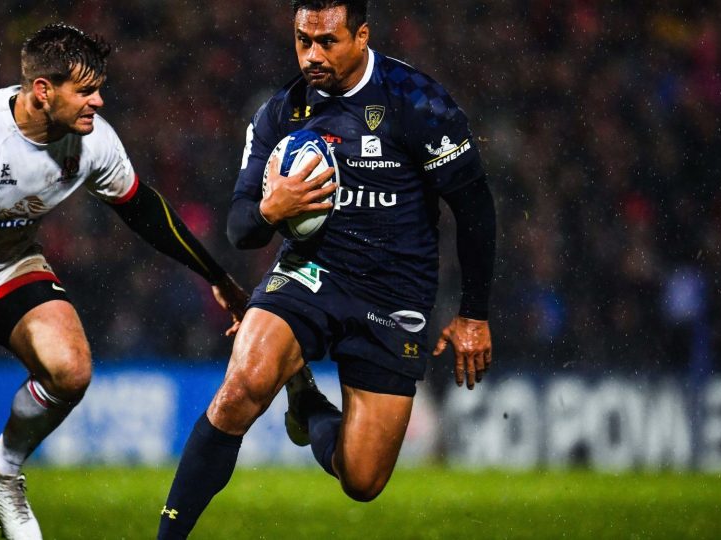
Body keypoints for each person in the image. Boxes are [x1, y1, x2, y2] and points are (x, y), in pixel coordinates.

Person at [0, 23, 248, 540]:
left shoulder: (93, 142)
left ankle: (1, 469)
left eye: (99, 88)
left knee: (70, 370)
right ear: (43, 91)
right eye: (86, 90)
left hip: (8, 263)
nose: (98, 100)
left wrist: (219, 277)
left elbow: (143, 210)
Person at [157, 0, 496, 537]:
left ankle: (308, 403)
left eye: (327, 42)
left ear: (362, 36)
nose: (311, 55)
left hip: (394, 293)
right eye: (302, 40)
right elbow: (241, 228)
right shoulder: (281, 113)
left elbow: (474, 208)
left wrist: (473, 314)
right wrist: (274, 208)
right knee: (242, 386)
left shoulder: (417, 102)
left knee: (361, 479)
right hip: (311, 274)